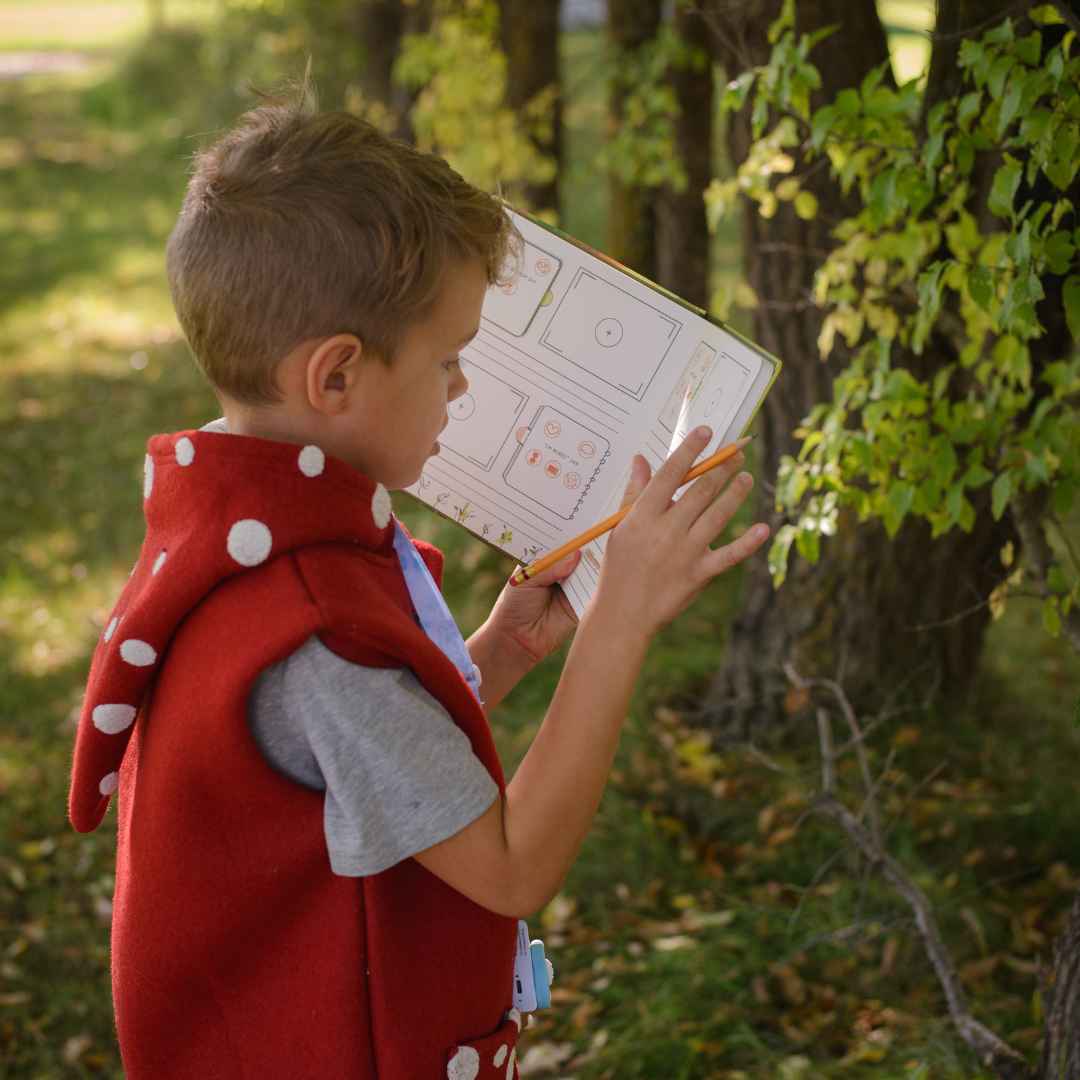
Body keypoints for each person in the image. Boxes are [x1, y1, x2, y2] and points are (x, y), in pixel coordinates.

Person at [68, 88, 770, 1080]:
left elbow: (359, 767)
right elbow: (511, 863)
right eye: (447, 361)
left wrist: (503, 651)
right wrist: (620, 623)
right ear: (338, 377)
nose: (462, 387)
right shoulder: (319, 634)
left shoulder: (238, 534)